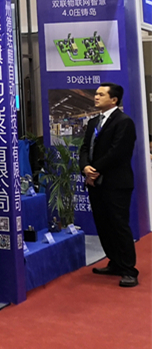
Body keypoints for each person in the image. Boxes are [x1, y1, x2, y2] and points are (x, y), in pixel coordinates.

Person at [80, 83, 138, 287]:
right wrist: (85, 167)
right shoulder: (93, 121)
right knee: (103, 225)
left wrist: (94, 170)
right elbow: (85, 148)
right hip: (96, 183)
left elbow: (118, 152)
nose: (96, 97)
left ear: (114, 100)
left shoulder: (124, 122)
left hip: (116, 183)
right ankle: (115, 262)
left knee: (119, 225)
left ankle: (129, 270)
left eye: (101, 94)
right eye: (96, 94)